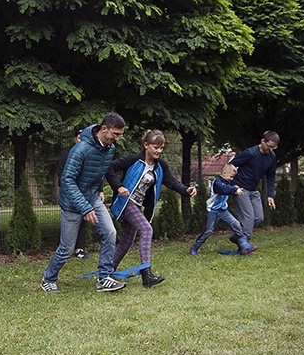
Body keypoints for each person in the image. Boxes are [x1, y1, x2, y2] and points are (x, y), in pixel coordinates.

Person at [41, 112, 126, 294]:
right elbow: (67, 181)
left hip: (92, 197)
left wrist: (100, 190)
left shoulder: (109, 149)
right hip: (72, 202)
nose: (117, 139)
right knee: (67, 247)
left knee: (110, 232)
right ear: (104, 129)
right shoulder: (81, 149)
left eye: (120, 135)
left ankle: (104, 278)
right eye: (115, 134)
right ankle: (48, 278)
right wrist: (85, 207)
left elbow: (98, 173)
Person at [107, 129, 197, 287]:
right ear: (146, 145)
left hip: (137, 205)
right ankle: (146, 274)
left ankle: (107, 272)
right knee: (147, 229)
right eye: (156, 147)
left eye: (161, 148)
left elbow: (171, 182)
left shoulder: (160, 165)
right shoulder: (134, 159)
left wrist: (185, 190)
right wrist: (119, 187)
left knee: (127, 241)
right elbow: (109, 169)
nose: (159, 151)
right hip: (125, 202)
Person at [190, 163, 258, 255]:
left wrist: (236, 188)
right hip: (213, 211)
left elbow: (229, 186)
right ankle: (195, 247)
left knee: (236, 224)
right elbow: (224, 189)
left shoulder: (227, 182)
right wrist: (234, 190)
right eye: (231, 176)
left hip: (223, 211)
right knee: (208, 231)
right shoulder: (217, 183)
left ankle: (244, 247)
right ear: (224, 173)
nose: (232, 179)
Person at [228, 130, 280, 250]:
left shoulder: (272, 157)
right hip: (240, 189)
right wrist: (231, 185)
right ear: (263, 141)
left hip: (253, 190)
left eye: (274, 147)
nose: (271, 150)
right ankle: (245, 245)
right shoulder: (250, 153)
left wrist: (270, 195)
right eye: (269, 146)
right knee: (249, 218)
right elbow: (230, 165)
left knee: (258, 218)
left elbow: (270, 176)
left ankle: (237, 236)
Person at [57, 127, 88, 259]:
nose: (81, 140)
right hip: (70, 193)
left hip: (84, 192)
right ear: (75, 138)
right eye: (79, 137)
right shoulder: (67, 154)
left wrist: (99, 190)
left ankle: (78, 248)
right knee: (69, 221)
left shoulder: (89, 153)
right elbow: (63, 176)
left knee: (83, 218)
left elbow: (94, 175)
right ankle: (65, 250)